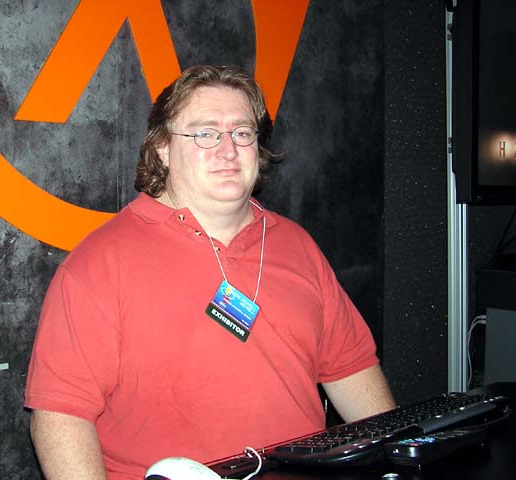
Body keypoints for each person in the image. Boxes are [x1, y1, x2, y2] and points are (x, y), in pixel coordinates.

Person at [24, 64, 396, 480]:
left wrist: (394, 463)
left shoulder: (298, 246)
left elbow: (351, 369)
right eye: (205, 133)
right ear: (163, 148)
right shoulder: (99, 263)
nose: (228, 150)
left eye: (242, 132)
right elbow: (61, 416)